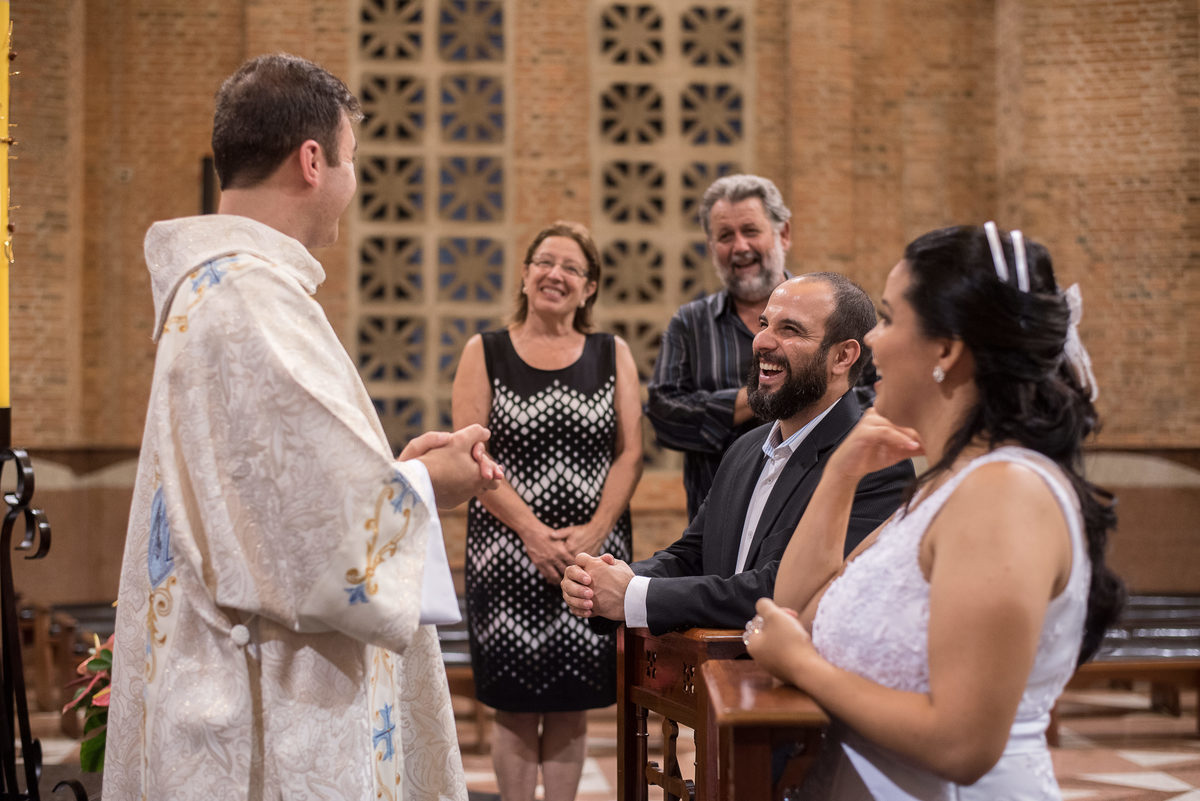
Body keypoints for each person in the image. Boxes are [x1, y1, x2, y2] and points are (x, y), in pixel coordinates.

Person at [103, 54, 501, 801]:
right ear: (312, 161)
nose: (353, 184)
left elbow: (271, 506)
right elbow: (314, 546)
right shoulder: (252, 301)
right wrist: (427, 483)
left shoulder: (223, 291)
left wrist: (390, 474)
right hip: (267, 712)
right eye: (352, 159)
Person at [745, 223, 1124, 800]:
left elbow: (962, 744)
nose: (872, 341)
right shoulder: (944, 488)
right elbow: (794, 611)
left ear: (946, 349)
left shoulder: (1005, 494)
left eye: (890, 318)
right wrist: (841, 474)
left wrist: (803, 668)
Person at [562, 273, 912, 633]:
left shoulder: (874, 463)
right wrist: (605, 581)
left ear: (843, 356)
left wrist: (635, 595)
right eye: (764, 324)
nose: (762, 341)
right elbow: (692, 556)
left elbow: (786, 592)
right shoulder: (744, 448)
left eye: (790, 329)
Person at [451, 221, 643, 801]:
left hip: (591, 561)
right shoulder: (485, 351)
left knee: (571, 703)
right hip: (507, 555)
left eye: (571, 268)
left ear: (590, 287)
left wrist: (596, 532)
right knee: (513, 707)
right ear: (525, 274)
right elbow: (471, 456)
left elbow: (631, 452)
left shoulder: (613, 353)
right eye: (544, 262)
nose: (555, 274)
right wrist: (532, 533)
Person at [646, 174, 793, 520]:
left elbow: (862, 402)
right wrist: (764, 394)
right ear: (712, 247)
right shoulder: (689, 324)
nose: (739, 247)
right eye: (725, 236)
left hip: (802, 520)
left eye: (751, 230)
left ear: (783, 234)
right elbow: (664, 416)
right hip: (715, 527)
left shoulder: (828, 315)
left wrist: (718, 412)